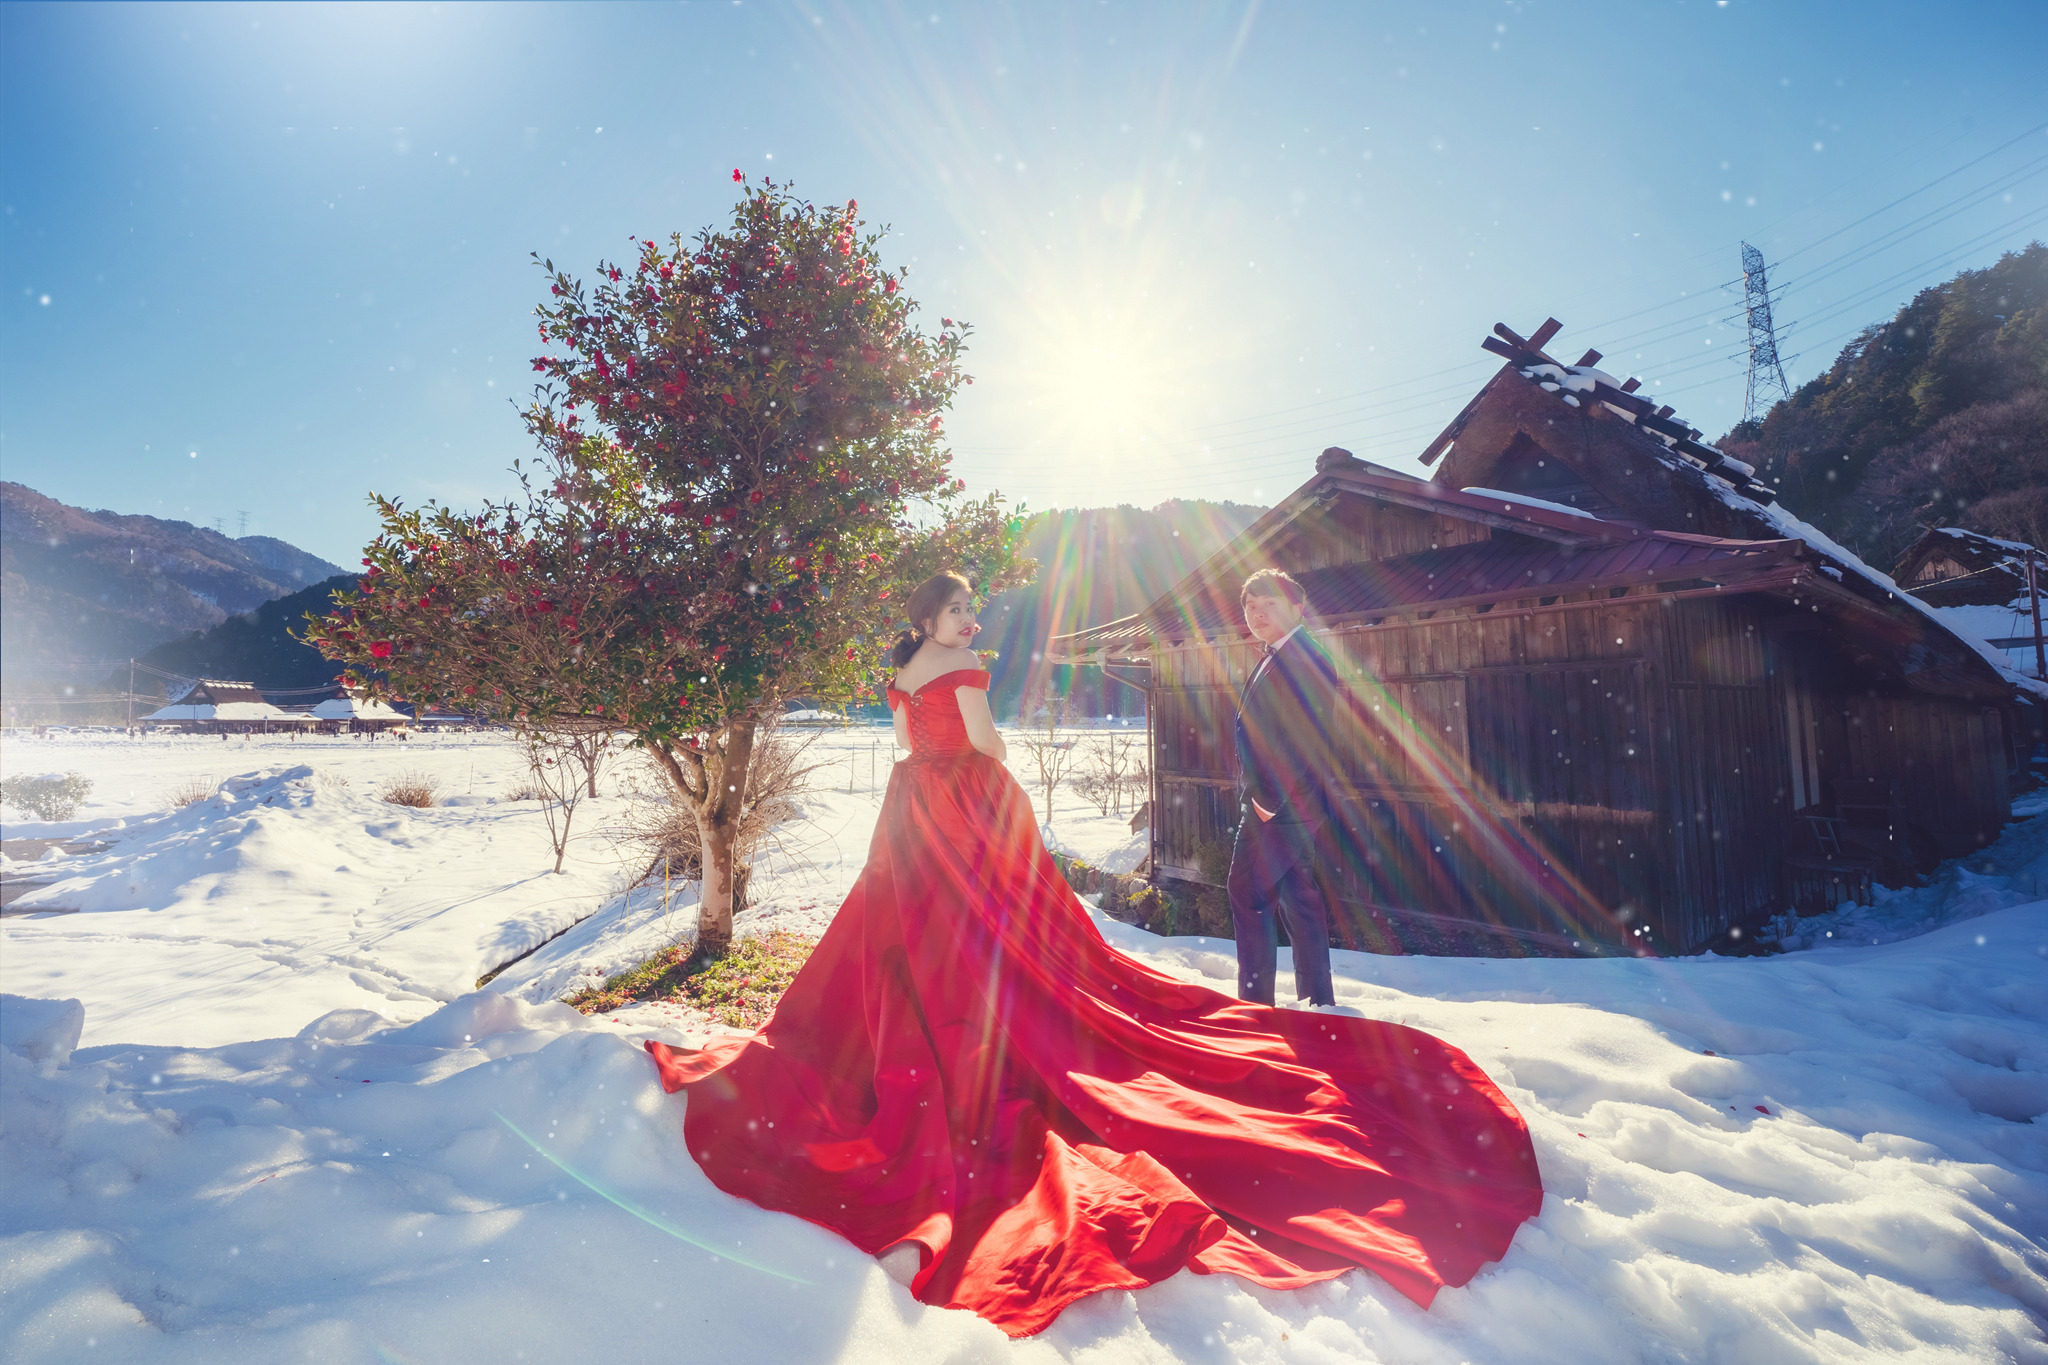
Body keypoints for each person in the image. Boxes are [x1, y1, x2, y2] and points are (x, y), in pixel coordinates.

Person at [645, 571, 1542, 1338]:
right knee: (1001, 929)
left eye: (972, 614)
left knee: (912, 930)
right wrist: (999, 795)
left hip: (911, 806)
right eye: (961, 611)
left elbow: (906, 746)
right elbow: (987, 745)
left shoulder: (902, 672)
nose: (972, 625)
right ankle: (995, 1024)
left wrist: (933, 780)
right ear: (932, 618)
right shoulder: (960, 668)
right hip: (967, 800)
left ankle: (936, 1032)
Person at [1229, 569, 1341, 1008]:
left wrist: (1267, 801)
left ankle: (1254, 1009)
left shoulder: (1303, 657)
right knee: (1299, 897)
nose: (1257, 614)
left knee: (1248, 894)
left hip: (1280, 805)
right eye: (1250, 607)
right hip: (1293, 804)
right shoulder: (1278, 653)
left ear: (1296, 608)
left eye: (1268, 604)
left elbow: (1303, 736)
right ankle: (1318, 1002)